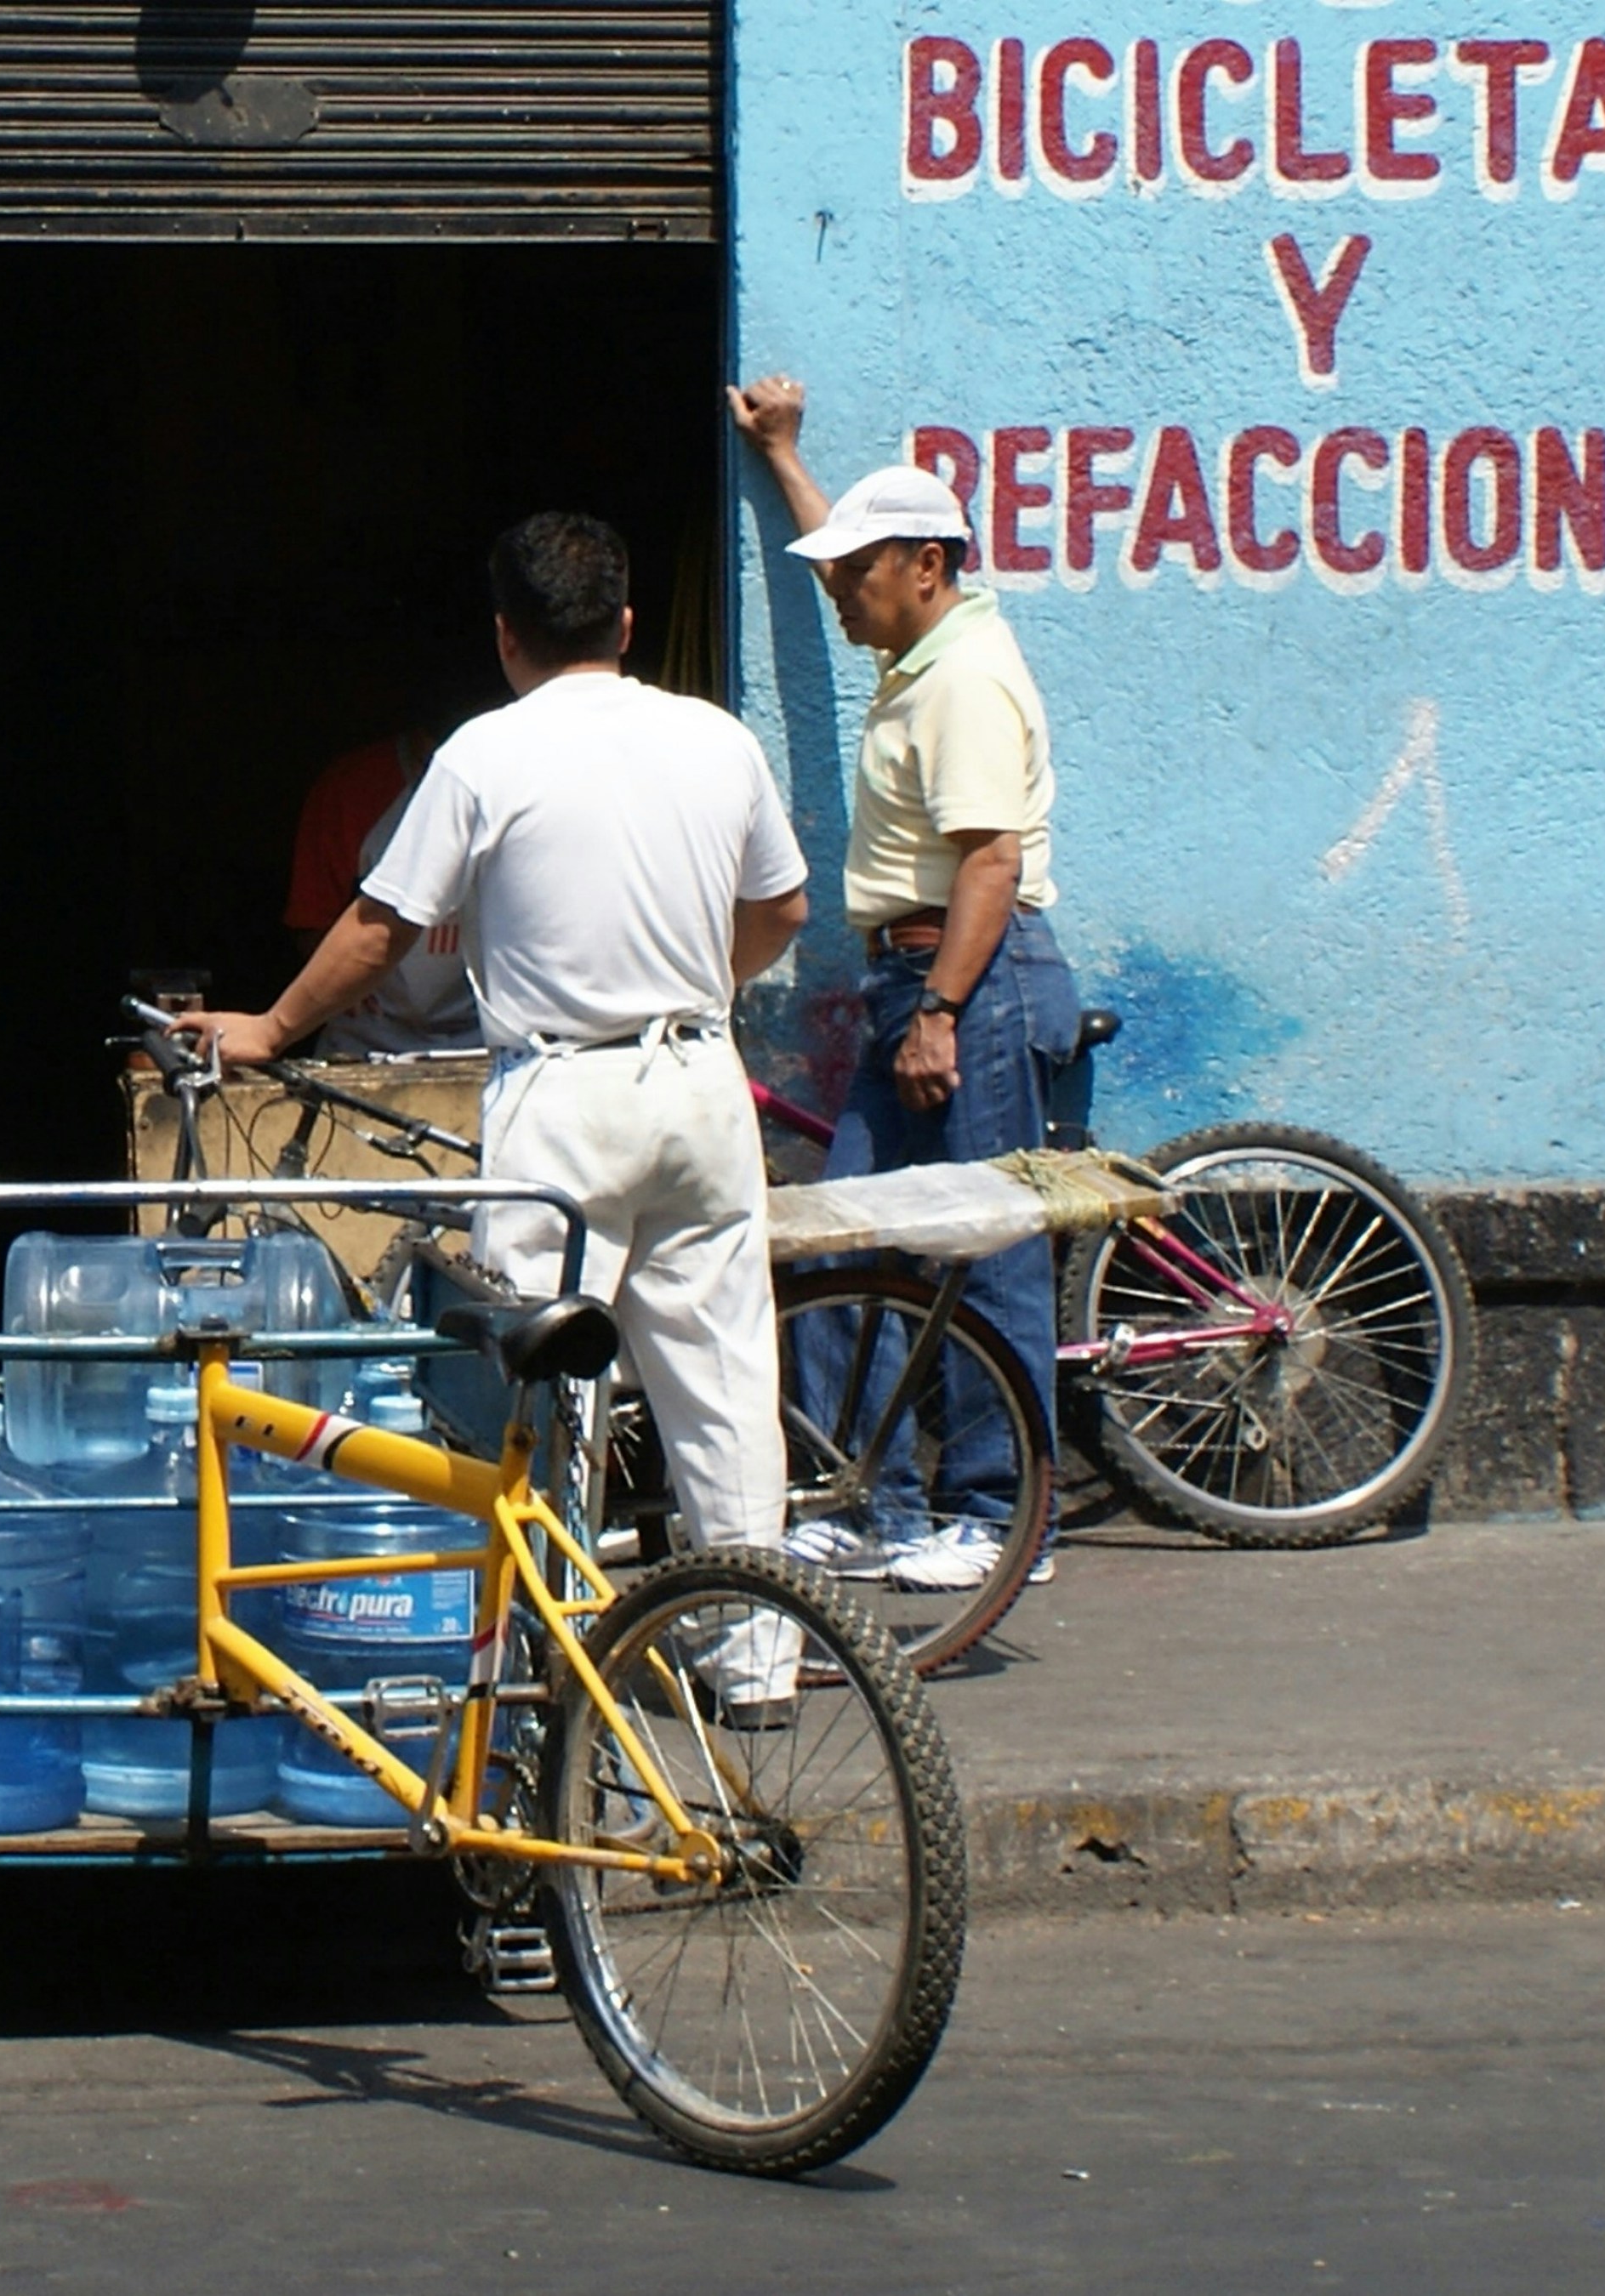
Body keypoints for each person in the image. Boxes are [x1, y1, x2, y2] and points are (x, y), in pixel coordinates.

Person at [185, 514, 811, 1674]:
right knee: (722, 1381)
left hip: (563, 1099)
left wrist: (270, 1030)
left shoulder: (487, 753)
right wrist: (688, 990)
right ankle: (758, 1662)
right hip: (696, 1080)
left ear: (506, 637)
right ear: (625, 624)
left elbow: (382, 927)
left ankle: (547, 1653)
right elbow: (781, 910)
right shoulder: (718, 740)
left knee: (538, 1393)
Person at [731, 373, 1081, 1596]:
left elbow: (990, 858)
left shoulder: (967, 678)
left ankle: (1003, 1516)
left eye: (855, 575)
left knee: (984, 1253)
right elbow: (851, 544)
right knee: (841, 1242)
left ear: (925, 566)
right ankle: (861, 1496)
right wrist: (786, 459)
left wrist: (938, 1010)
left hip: (967, 983)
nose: (836, 592)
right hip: (915, 986)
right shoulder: (923, 649)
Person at [277, 697, 483, 1059]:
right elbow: (312, 920)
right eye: (430, 764)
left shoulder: (510, 787)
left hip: (485, 1036)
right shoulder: (354, 788)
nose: (441, 781)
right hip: (368, 1037)